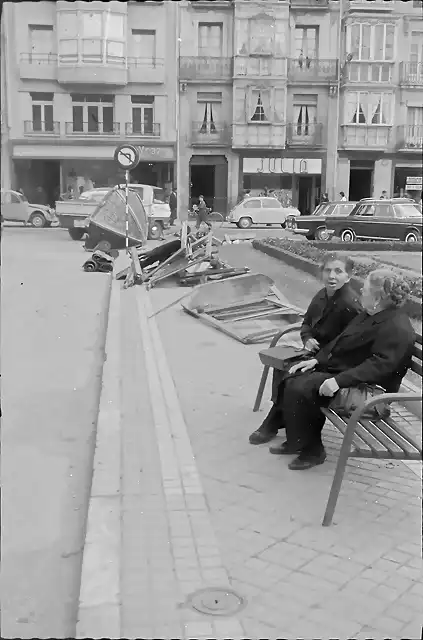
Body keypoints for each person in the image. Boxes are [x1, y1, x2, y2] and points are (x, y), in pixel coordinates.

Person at [268, 269, 415, 470]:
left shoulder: (397, 327)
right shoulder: (371, 314)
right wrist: (317, 361)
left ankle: (313, 451)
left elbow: (379, 367)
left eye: (366, 288)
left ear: (378, 297)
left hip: (371, 393)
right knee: (294, 374)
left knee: (303, 388)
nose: (361, 290)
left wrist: (338, 381)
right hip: (353, 377)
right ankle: (297, 440)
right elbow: (341, 341)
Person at [249, 253, 362, 445]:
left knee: (293, 374)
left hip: (334, 362)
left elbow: (350, 344)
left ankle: (274, 420)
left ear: (348, 277)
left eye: (338, 271)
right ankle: (280, 415)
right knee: (283, 366)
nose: (331, 276)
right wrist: (307, 338)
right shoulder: (322, 294)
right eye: (327, 270)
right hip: (315, 353)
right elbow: (306, 324)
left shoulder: (350, 305)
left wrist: (321, 358)